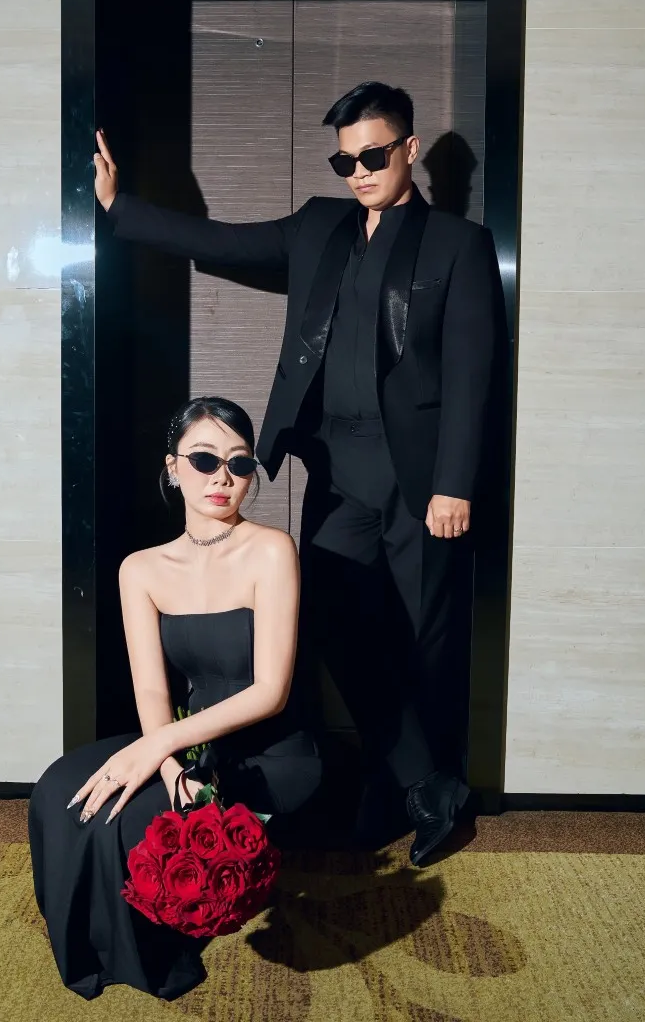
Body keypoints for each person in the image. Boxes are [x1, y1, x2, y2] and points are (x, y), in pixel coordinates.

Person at [94, 80, 504, 866]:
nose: (359, 172)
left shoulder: (458, 244)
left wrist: (454, 483)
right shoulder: (320, 228)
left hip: (420, 482)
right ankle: (424, 784)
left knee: (424, 643)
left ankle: (414, 789)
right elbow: (224, 242)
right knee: (337, 628)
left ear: (409, 149)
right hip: (338, 475)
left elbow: (473, 371)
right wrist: (122, 210)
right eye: (344, 161)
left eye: (373, 156)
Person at [28, 397, 321, 1002]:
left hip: (270, 751)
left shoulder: (272, 549)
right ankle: (91, 954)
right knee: (59, 790)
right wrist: (165, 766)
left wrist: (158, 747)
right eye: (205, 459)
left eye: (240, 464)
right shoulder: (140, 569)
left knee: (125, 818)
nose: (222, 477)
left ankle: (148, 956)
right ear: (172, 468)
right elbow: (152, 689)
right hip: (189, 742)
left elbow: (271, 693)